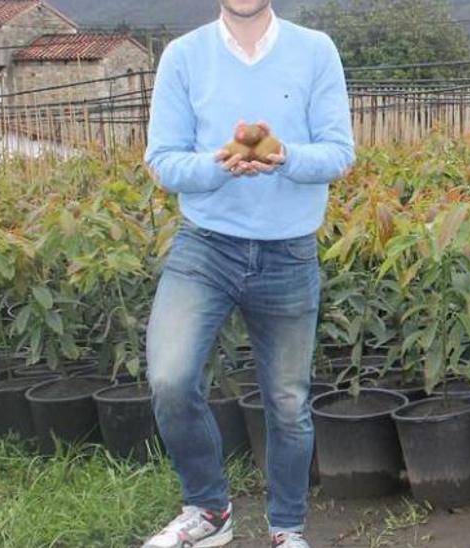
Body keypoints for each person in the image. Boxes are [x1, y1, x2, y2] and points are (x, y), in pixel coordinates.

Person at [140, 0, 354, 546]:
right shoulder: (184, 56)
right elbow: (163, 160)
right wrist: (219, 163)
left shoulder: (315, 50)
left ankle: (286, 529)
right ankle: (210, 512)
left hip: (288, 250)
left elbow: (338, 154)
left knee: (287, 402)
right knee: (170, 378)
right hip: (206, 245)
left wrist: (282, 156)